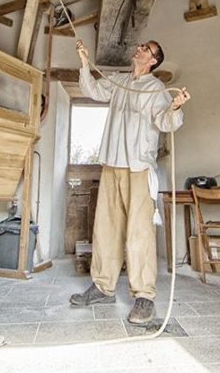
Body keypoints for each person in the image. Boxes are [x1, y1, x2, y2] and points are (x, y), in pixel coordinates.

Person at [69, 39, 191, 325]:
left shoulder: (156, 89)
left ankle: (144, 296)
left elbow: (165, 123)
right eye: (140, 46)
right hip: (112, 163)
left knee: (140, 233)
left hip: (138, 167)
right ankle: (102, 287)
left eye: (146, 49)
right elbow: (94, 90)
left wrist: (175, 107)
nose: (139, 48)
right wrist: (85, 62)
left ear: (153, 61)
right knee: (106, 228)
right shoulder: (119, 81)